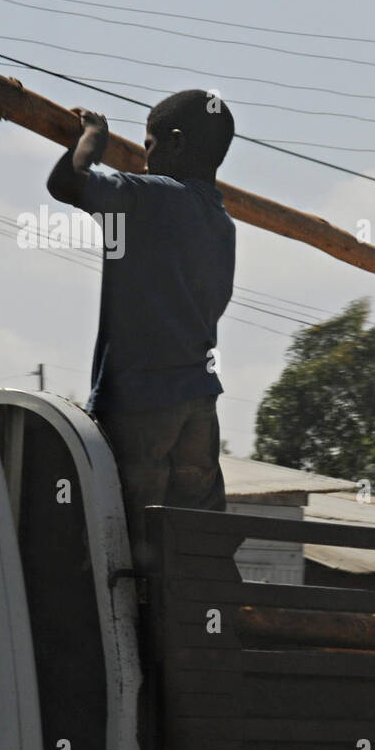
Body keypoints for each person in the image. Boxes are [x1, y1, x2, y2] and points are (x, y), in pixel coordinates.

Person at [46, 90, 236, 572]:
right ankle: (205, 632)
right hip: (197, 407)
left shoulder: (151, 197)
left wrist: (94, 136)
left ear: (174, 143)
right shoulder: (222, 222)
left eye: (149, 144)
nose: (145, 156)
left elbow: (68, 181)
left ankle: (130, 645)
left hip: (140, 405)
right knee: (196, 550)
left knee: (123, 552)